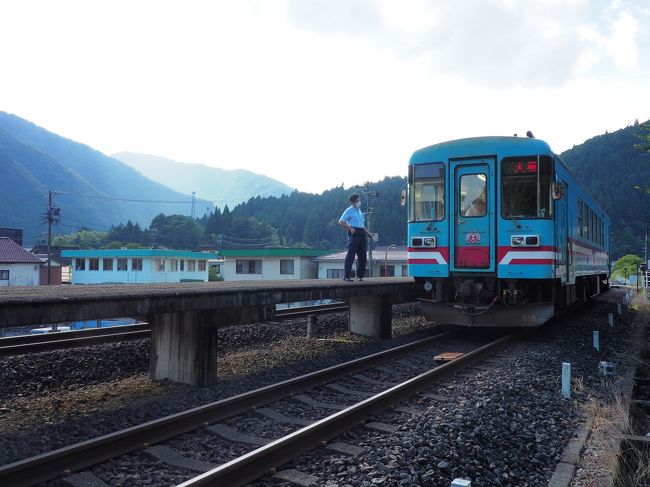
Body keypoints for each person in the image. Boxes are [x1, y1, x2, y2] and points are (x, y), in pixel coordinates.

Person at [338, 193, 373, 281]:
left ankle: (360, 276)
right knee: (351, 254)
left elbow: (361, 224)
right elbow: (341, 222)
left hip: (361, 232)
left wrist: (368, 233)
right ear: (352, 202)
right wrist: (350, 228)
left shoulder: (359, 210)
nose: (359, 202)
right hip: (353, 233)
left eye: (359, 200)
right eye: (357, 201)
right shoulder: (348, 210)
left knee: (362, 255)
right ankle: (346, 276)